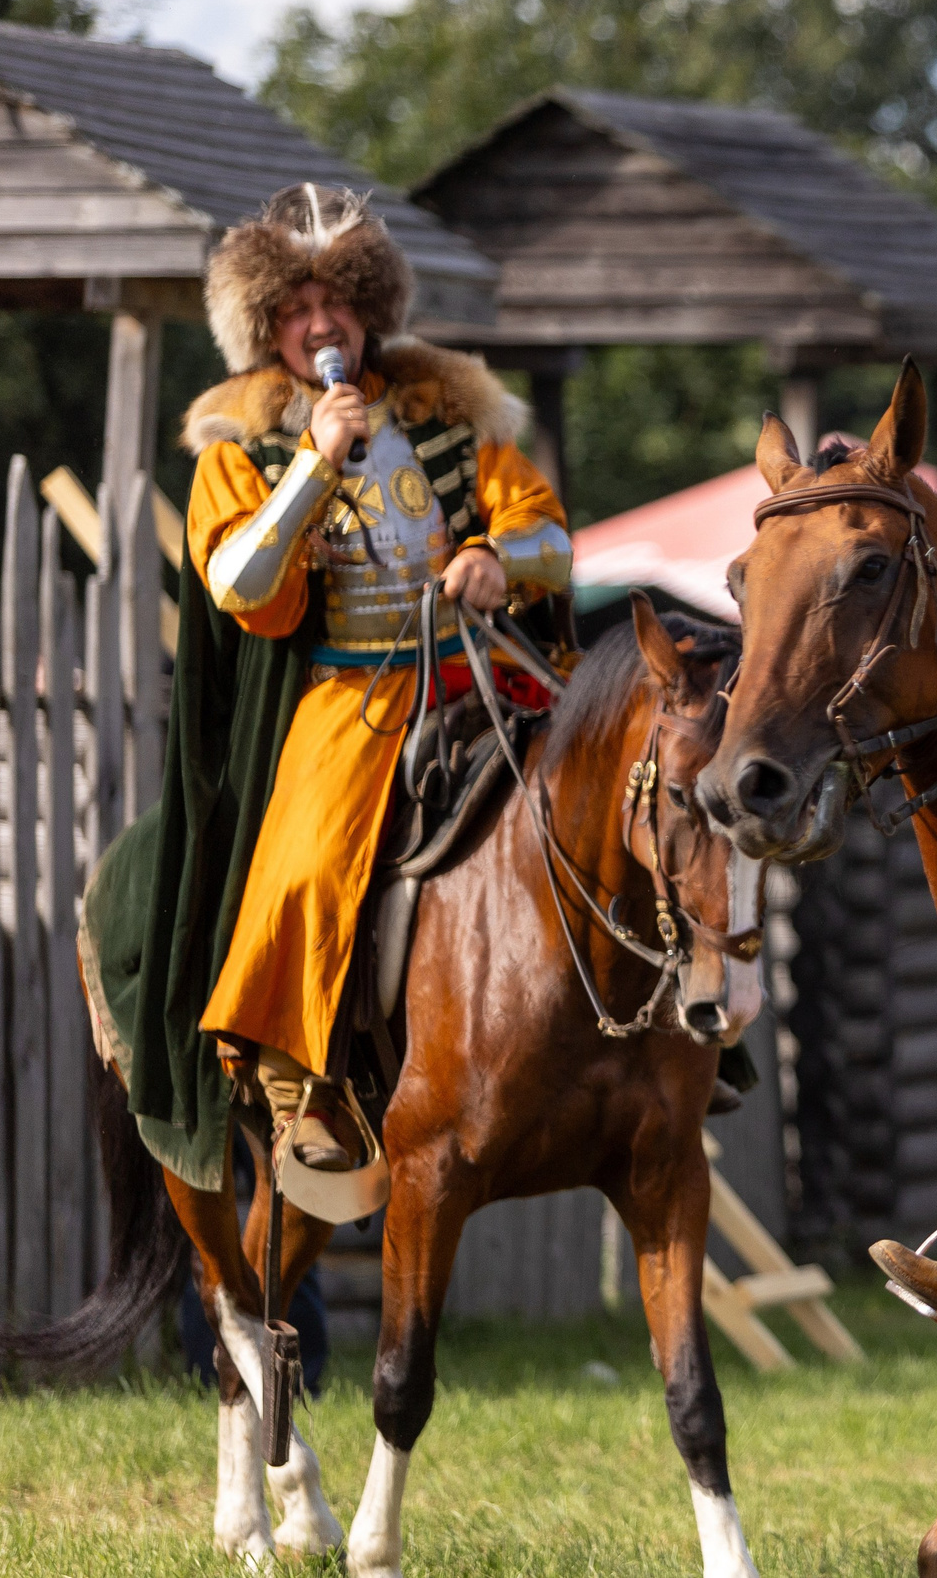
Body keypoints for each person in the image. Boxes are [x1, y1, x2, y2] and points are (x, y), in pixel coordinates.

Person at [179, 185, 572, 1170]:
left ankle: (684, 1018)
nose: (321, 326)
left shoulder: (446, 402)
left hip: (477, 669)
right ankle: (300, 1077)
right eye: (297, 311)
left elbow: (551, 536)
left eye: (336, 304)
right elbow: (240, 584)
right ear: (267, 327)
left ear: (369, 307)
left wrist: (500, 561)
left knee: (638, 777)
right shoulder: (237, 441)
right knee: (307, 867)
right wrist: (315, 463)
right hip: (349, 694)